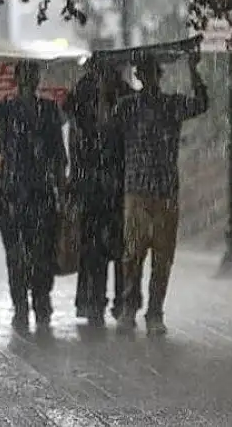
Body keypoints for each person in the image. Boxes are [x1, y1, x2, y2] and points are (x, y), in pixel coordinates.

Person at [0, 60, 67, 333]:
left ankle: (39, 304)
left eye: (31, 76)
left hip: (39, 193)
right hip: (14, 194)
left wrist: (61, 188)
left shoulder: (46, 111)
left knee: (40, 253)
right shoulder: (9, 111)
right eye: (26, 76)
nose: (29, 81)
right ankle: (23, 305)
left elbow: (58, 155)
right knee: (18, 254)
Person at [114, 51, 208, 335]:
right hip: (137, 190)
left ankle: (155, 311)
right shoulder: (127, 106)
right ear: (139, 77)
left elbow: (201, 103)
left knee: (162, 256)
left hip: (164, 189)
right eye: (144, 73)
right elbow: (106, 123)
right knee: (133, 254)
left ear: (158, 75)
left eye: (152, 72)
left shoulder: (171, 104)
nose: (149, 77)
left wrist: (194, 71)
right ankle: (130, 307)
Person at [64, 60, 138, 327]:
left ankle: (119, 301)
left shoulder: (123, 94)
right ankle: (95, 301)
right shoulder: (84, 92)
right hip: (95, 184)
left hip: (114, 184)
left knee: (118, 248)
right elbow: (75, 127)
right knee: (96, 248)